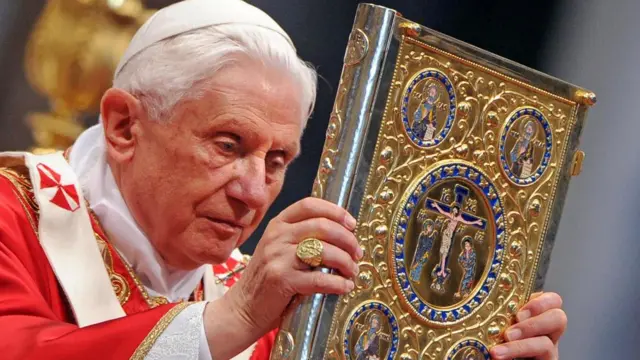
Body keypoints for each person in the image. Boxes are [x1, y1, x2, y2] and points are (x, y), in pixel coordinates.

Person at [0, 0, 567, 359]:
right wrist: (238, 317)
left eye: (277, 161)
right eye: (229, 145)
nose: (253, 193)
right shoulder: (12, 215)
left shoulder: (263, 300)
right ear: (125, 125)